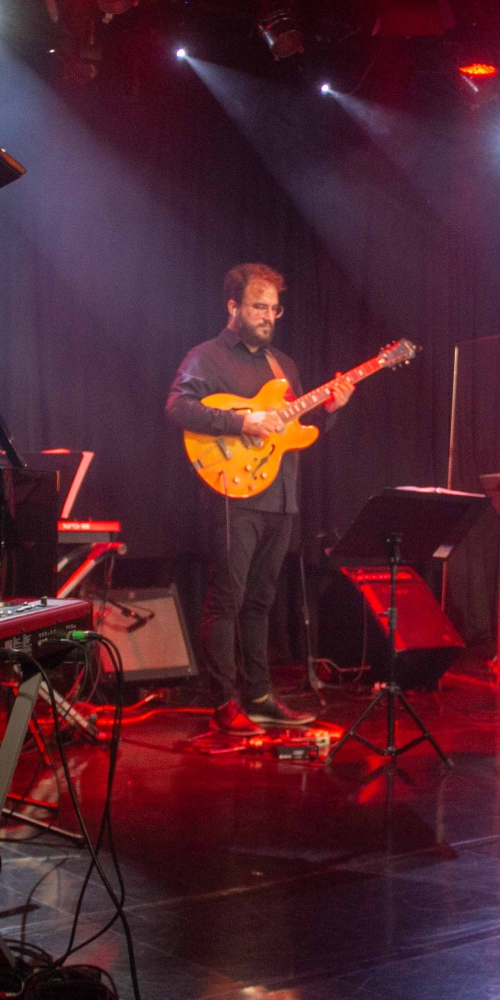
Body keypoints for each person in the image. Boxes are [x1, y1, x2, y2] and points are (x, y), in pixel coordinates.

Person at [166, 263, 352, 735]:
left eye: (274, 309)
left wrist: (331, 408)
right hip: (233, 492)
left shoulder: (283, 365)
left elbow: (295, 429)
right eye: (258, 306)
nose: (269, 316)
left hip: (280, 495)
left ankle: (261, 696)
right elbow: (179, 407)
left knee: (262, 601)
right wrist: (243, 422)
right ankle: (221, 702)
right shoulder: (206, 357)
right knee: (227, 600)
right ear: (233, 306)